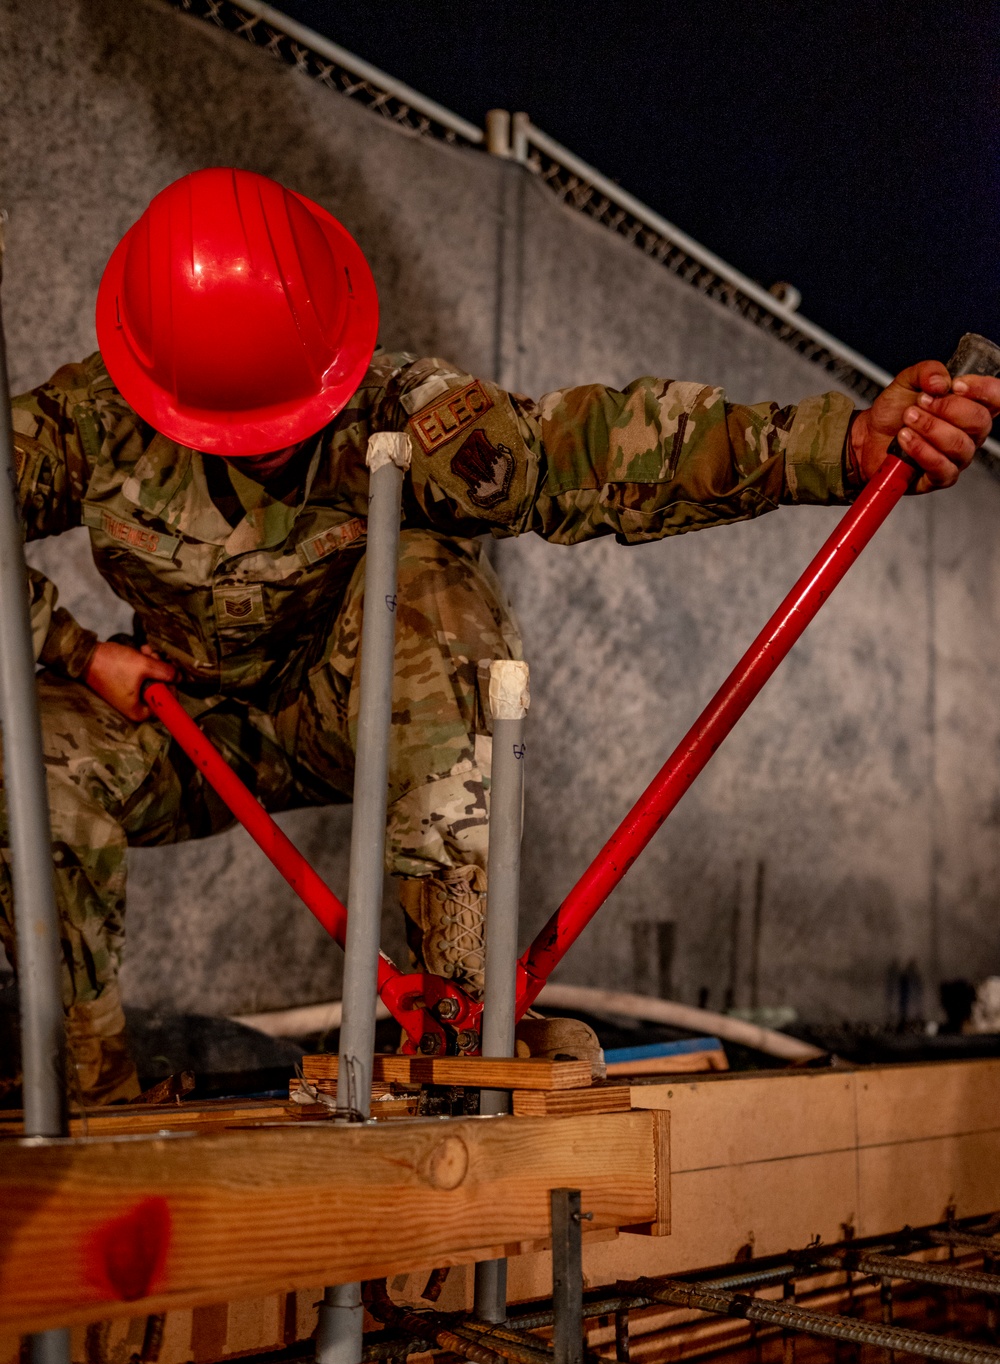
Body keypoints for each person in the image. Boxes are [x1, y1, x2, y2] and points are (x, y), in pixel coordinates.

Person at [8, 168, 999, 1104]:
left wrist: (837, 445)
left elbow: (581, 449)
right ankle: (86, 1091)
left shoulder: (397, 410)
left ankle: (460, 1022)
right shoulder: (92, 421)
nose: (269, 450)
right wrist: (75, 648)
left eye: (286, 423)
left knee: (438, 591)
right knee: (23, 755)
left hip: (358, 709)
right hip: (191, 725)